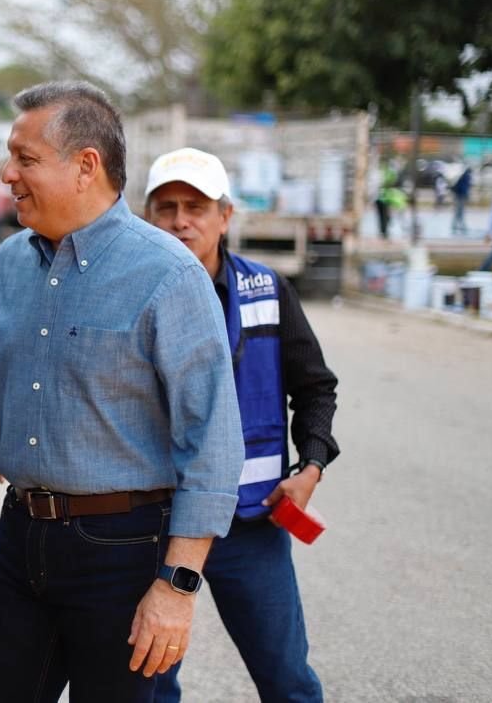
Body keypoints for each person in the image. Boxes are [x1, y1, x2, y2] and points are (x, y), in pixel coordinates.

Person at [0, 82, 244, 702]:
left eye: (26, 159)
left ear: (86, 165)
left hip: (123, 551)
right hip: (20, 540)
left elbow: (214, 441)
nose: (7, 175)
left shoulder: (168, 275)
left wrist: (177, 586)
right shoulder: (10, 261)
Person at [143, 147, 339, 703]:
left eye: (196, 207)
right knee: (150, 686)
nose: (181, 221)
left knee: (288, 682)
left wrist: (311, 466)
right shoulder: (129, 298)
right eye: (167, 207)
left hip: (249, 524)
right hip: (154, 523)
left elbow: (316, 387)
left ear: (225, 216)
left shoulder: (269, 291)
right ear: (147, 216)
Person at [450, 164, 473, 235]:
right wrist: (466, 196)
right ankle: (460, 226)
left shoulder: (464, 176)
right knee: (460, 211)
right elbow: (464, 188)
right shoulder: (466, 177)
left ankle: (456, 225)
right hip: (461, 196)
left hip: (459, 196)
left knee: (459, 212)